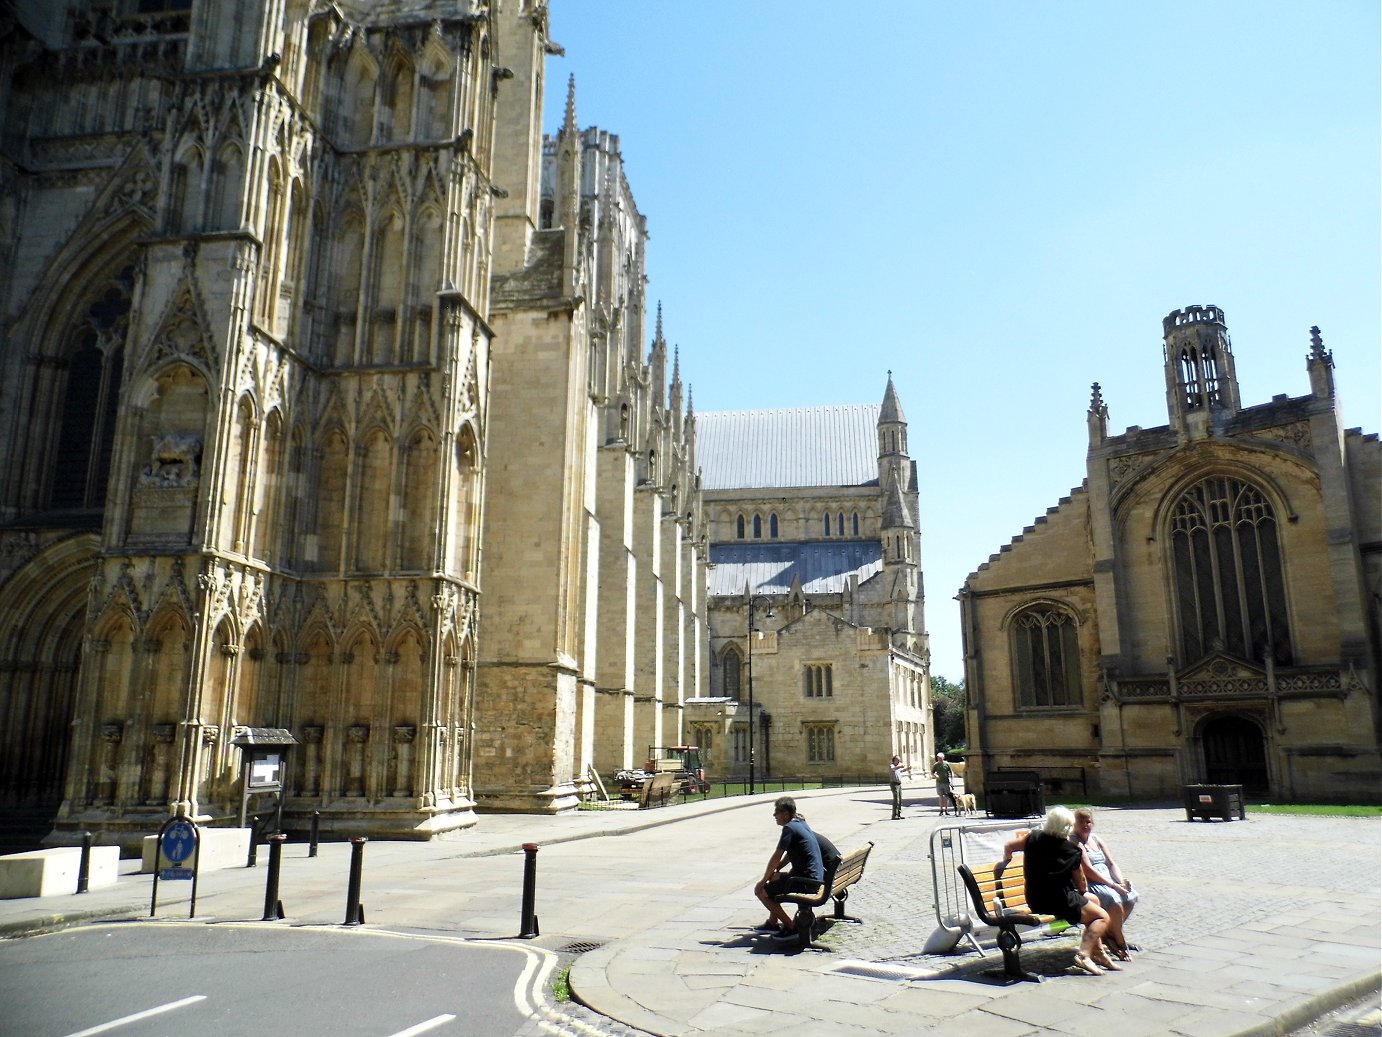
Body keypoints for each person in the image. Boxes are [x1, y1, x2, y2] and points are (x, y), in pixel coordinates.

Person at [998, 805, 1117, 976]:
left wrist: (1006, 861)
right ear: (1067, 827)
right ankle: (1083, 955)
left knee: (1095, 901)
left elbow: (1009, 846)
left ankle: (1098, 952)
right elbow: (1082, 886)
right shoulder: (1071, 850)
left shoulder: (1033, 838)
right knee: (1101, 916)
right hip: (1060, 901)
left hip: (1035, 898)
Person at [754, 796, 825, 942]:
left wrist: (763, 880)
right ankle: (772, 923)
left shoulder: (789, 829)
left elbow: (777, 855)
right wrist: (776, 871)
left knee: (761, 891)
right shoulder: (800, 823)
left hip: (806, 882)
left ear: (785, 814)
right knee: (774, 882)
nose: (774, 816)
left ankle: (791, 927)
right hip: (814, 878)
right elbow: (788, 855)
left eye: (776, 813)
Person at [1074, 808, 1140, 960]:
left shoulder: (1096, 839)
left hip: (1108, 879)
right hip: (1093, 883)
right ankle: (1119, 940)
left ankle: (1108, 934)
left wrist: (1121, 882)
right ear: (1075, 824)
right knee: (1114, 900)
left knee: (1130, 896)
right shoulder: (1076, 841)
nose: (1085, 825)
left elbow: (1111, 863)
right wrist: (1113, 885)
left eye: (1088, 821)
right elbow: (1088, 870)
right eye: (1081, 822)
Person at [888, 755, 910, 820]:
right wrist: (899, 766)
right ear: (894, 760)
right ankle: (894, 815)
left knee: (900, 799)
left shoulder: (898, 767)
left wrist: (907, 769)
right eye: (897, 760)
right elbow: (893, 769)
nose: (899, 761)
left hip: (899, 784)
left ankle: (899, 814)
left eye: (899, 760)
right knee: (896, 800)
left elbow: (902, 770)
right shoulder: (892, 766)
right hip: (894, 784)